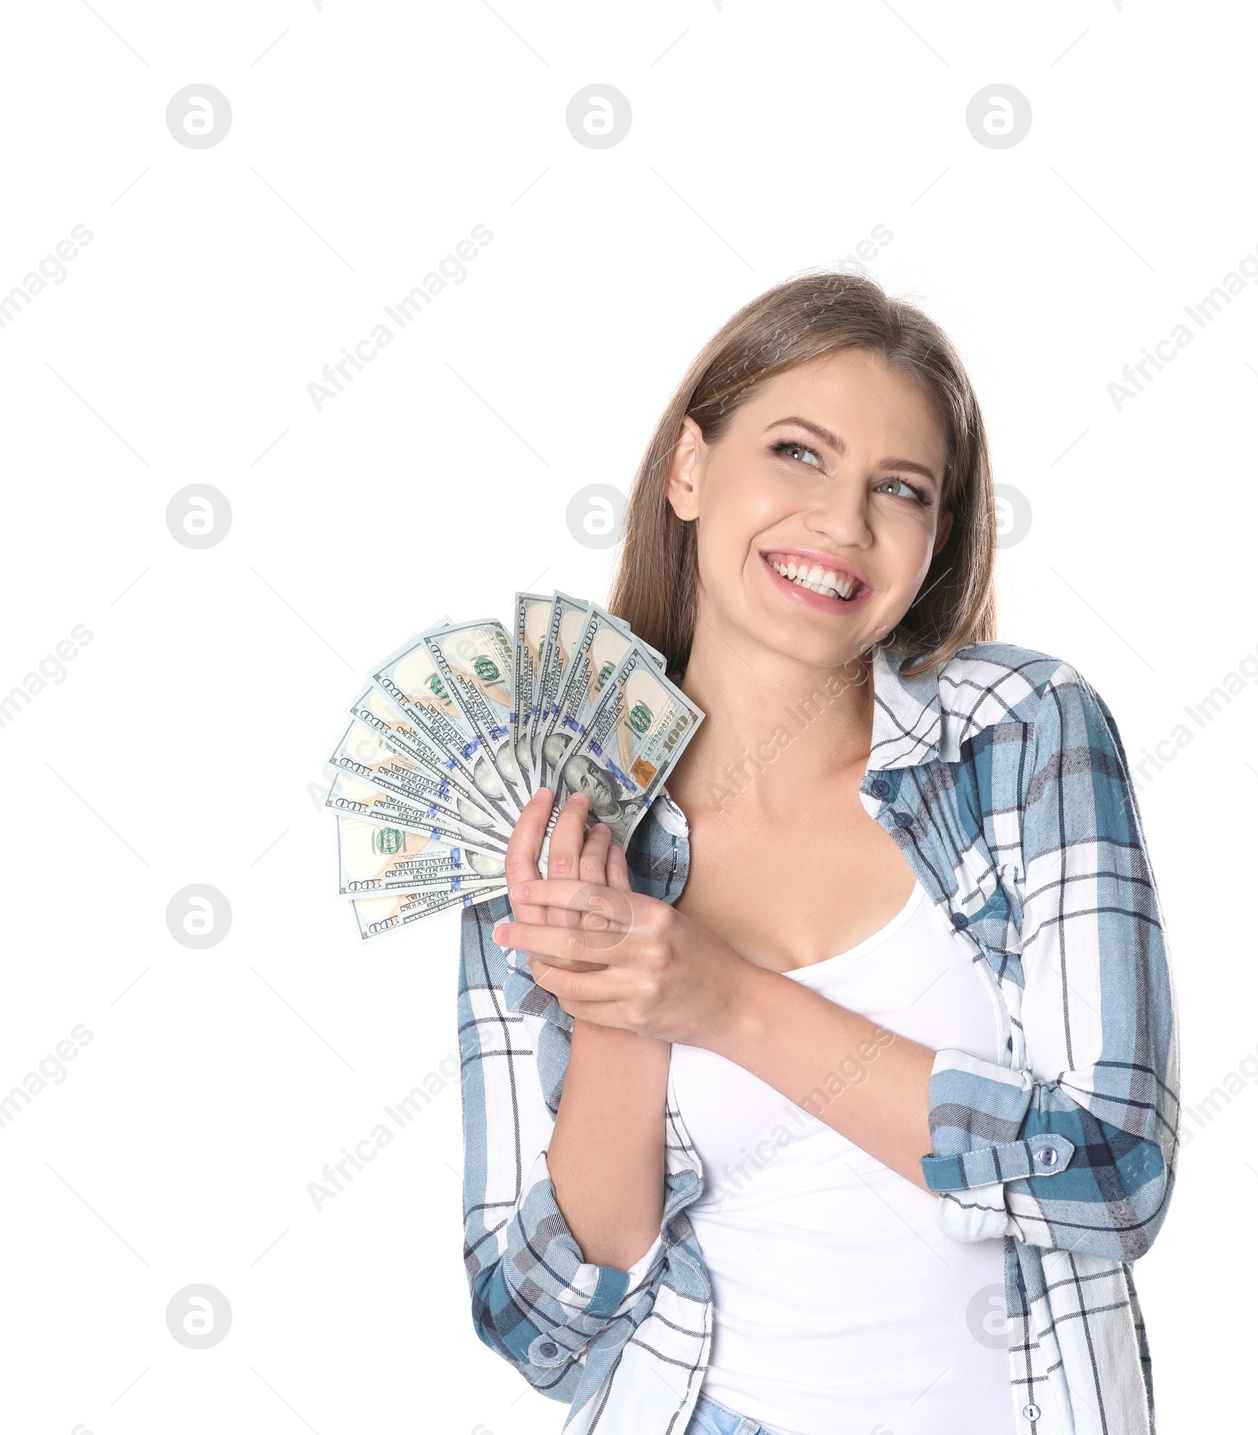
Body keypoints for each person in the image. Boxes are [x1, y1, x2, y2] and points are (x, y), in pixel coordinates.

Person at [457, 270, 1181, 1435]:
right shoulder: (554, 830)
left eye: (898, 489)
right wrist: (619, 1006)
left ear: (936, 536)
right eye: (797, 453)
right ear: (689, 470)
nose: (842, 525)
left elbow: (1112, 1175)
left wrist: (726, 999)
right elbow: (537, 1317)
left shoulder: (1022, 735)